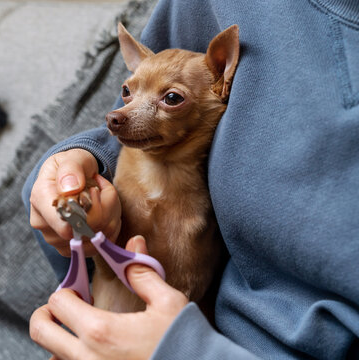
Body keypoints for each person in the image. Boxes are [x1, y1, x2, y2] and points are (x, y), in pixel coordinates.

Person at [22, 0, 359, 358]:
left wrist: (187, 352)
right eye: (126, 93)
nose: (117, 113)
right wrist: (82, 164)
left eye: (171, 98)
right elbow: (125, 131)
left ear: (223, 72)